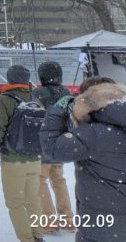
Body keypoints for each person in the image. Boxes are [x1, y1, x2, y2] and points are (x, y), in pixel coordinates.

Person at [41, 76, 126, 242]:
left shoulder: (93, 133)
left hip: (102, 229)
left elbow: (52, 150)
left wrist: (56, 112)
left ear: (84, 102)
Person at [0, 65, 43, 242]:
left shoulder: (4, 100)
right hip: (35, 159)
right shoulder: (36, 99)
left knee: (15, 203)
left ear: (9, 79)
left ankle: (27, 239)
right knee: (33, 201)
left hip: (13, 160)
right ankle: (38, 236)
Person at [31, 61, 75, 233]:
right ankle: (67, 219)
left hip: (42, 143)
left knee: (40, 180)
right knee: (59, 180)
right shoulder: (66, 93)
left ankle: (49, 221)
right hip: (61, 143)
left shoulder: (36, 93)